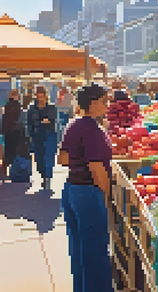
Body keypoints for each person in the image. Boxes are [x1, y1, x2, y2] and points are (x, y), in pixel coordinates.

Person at [57, 83, 114, 292]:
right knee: (96, 253)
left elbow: (62, 159)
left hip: (72, 190)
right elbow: (97, 169)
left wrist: (78, 159)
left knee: (79, 250)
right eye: (104, 101)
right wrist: (107, 198)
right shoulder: (92, 130)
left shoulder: (73, 125)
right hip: (89, 193)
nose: (107, 105)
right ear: (92, 103)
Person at [27, 86, 59, 190]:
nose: (40, 99)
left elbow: (53, 120)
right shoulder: (32, 108)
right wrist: (30, 134)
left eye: (42, 96)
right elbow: (29, 123)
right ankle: (43, 175)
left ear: (45, 96)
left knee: (49, 158)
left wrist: (46, 122)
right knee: (38, 159)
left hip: (49, 135)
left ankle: (47, 179)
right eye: (38, 96)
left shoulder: (51, 107)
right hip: (37, 136)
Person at [1, 89, 23, 180]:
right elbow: (19, 118)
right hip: (15, 131)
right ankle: (13, 171)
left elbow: (4, 119)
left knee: (7, 151)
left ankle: (4, 170)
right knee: (15, 152)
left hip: (7, 132)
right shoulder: (17, 105)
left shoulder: (6, 105)